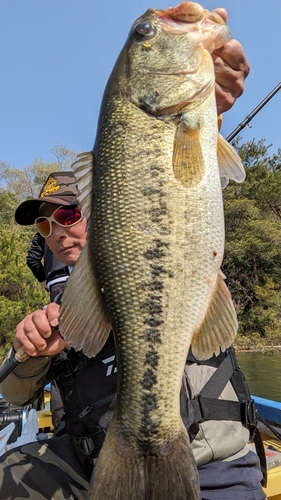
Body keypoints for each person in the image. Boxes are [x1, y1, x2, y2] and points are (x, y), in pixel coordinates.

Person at [0, 19, 265, 500]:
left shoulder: (139, 218)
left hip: (208, 463)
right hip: (91, 462)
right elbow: (15, 396)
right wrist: (27, 353)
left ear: (103, 206)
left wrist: (214, 110)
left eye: (70, 212)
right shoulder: (57, 300)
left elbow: (175, 183)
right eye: (44, 223)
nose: (58, 230)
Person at [26, 232, 70, 302]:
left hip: (57, 284)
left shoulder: (43, 232)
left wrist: (45, 282)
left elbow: (32, 260)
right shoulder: (77, 227)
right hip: (81, 279)